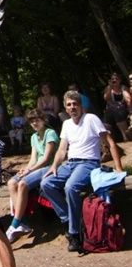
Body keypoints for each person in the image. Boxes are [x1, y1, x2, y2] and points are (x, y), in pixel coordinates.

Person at [41, 90, 123, 252]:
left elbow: (110, 142)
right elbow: (62, 149)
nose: (72, 108)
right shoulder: (66, 124)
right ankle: (69, 219)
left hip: (89, 163)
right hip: (70, 163)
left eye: (75, 104)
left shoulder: (91, 119)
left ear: (81, 106)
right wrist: (54, 166)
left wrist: (119, 169)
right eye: (69, 105)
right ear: (65, 108)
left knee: (70, 187)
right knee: (46, 183)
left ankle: (74, 234)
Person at [5, 109, 59, 243]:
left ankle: (15, 223)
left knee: (23, 184)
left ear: (43, 120)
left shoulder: (50, 133)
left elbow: (46, 158)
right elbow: (33, 158)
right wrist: (26, 169)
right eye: (32, 121)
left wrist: (30, 171)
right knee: (12, 182)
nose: (34, 123)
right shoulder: (34, 137)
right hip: (36, 168)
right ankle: (22, 222)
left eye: (37, 120)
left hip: (49, 167)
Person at [102, 72, 131, 142]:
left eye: (116, 79)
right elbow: (106, 98)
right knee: (112, 112)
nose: (114, 80)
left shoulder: (123, 88)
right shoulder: (109, 88)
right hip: (111, 111)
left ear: (120, 80)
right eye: (113, 79)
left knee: (117, 111)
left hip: (122, 110)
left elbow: (128, 99)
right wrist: (110, 87)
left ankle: (126, 137)